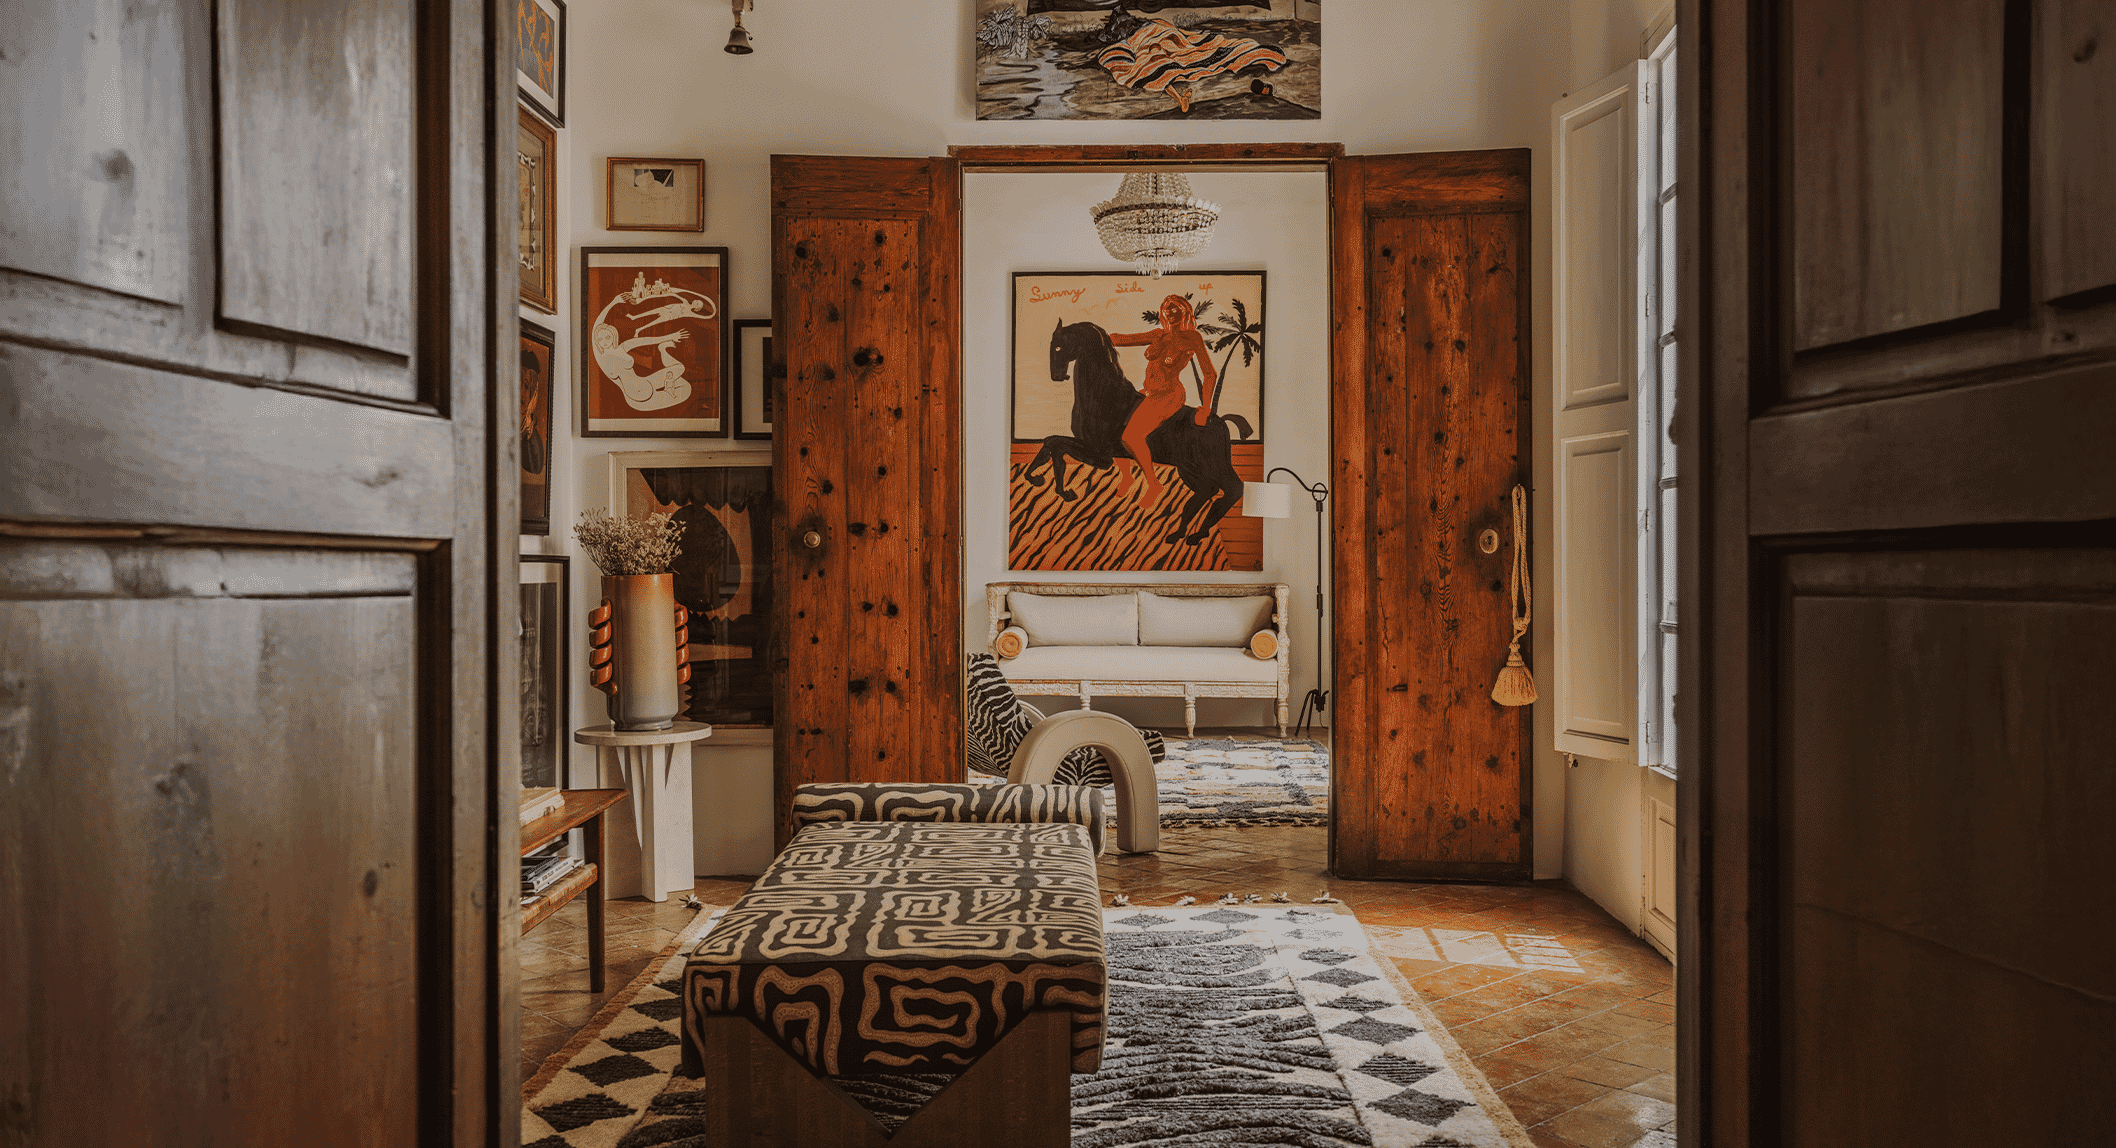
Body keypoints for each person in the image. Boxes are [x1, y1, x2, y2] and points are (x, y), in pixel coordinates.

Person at [1108, 294, 1216, 506]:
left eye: (1176, 308)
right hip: (1147, 392)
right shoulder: (1158, 334)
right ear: (1163, 312)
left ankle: (1154, 483)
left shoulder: (1192, 338)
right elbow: (1120, 339)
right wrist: (1093, 335)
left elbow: (1210, 374)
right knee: (1113, 429)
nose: (1171, 312)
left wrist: (1206, 407)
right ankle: (1128, 476)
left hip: (1169, 394)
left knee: (1131, 436)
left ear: (1185, 310)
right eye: (1167, 308)